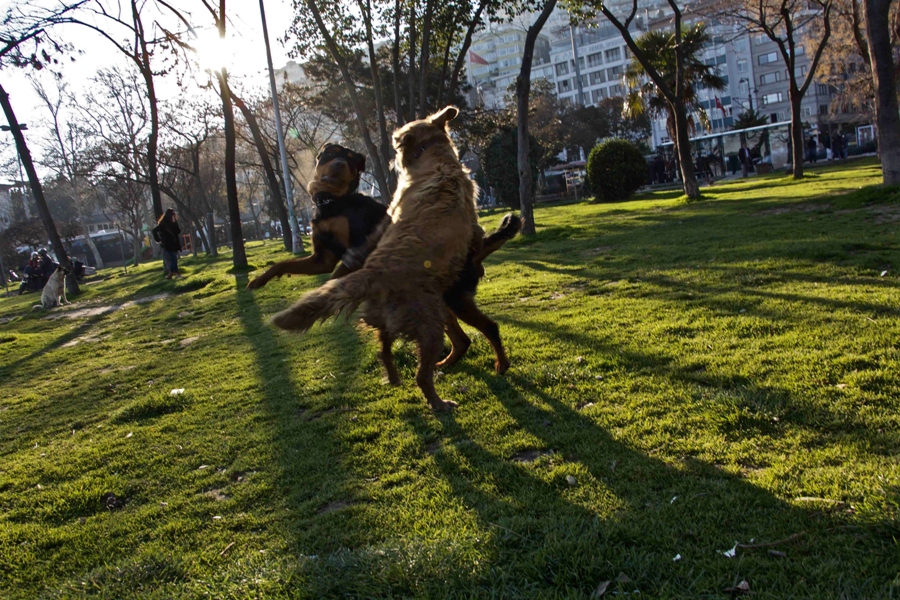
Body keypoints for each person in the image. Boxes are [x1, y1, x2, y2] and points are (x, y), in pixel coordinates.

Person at [152, 208, 183, 279]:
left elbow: (178, 231)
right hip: (168, 244)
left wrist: (175, 222)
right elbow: (154, 231)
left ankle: (175, 273)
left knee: (174, 258)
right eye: (173, 214)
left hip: (175, 243)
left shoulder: (174, 222)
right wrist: (158, 240)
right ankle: (172, 273)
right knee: (174, 258)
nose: (174, 216)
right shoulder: (163, 224)